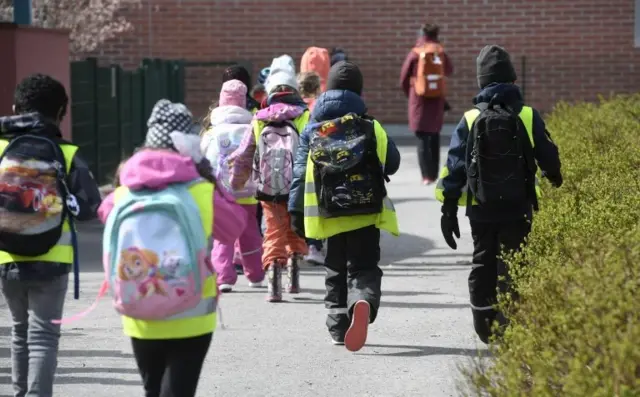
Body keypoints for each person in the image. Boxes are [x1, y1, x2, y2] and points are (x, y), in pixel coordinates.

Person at [98, 99, 245, 397]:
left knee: (152, 388)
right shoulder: (201, 191)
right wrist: (209, 178)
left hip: (140, 307)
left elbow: (103, 214)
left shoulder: (123, 193)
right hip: (193, 311)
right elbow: (234, 229)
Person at [435, 45, 563, 344]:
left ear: (481, 82)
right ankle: (510, 320)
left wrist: (448, 208)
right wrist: (554, 176)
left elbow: (454, 167)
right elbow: (548, 154)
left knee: (483, 260)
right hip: (518, 207)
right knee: (514, 260)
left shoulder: (469, 118)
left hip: (481, 207)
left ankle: (484, 322)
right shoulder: (528, 114)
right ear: (513, 80)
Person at [0, 74, 101, 397]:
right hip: (53, 258)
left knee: (19, 333)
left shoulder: (2, 149)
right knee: (43, 335)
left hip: (7, 256)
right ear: (61, 113)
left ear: (16, 108)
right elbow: (89, 208)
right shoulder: (66, 153)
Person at [288, 61, 401, 351]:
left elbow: (299, 173)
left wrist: (295, 211)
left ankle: (338, 326)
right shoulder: (370, 125)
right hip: (365, 212)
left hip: (327, 215)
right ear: (359, 91)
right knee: (364, 266)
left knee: (335, 269)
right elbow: (393, 162)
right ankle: (361, 299)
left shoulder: (312, 129)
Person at [228, 54, 310, 302]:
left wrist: (236, 182)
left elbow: (244, 154)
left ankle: (274, 281)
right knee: (296, 228)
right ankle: (294, 277)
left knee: (273, 229)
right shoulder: (305, 116)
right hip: (299, 185)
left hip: (268, 187)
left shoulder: (260, 118)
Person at [201, 80, 265, 292]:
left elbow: (204, 160)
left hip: (222, 192)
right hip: (248, 190)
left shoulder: (213, 132)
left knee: (223, 234)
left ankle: (224, 276)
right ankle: (256, 274)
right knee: (250, 233)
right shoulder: (250, 128)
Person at [400, 23, 454, 185]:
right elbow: (449, 70)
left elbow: (403, 77)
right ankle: (435, 173)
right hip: (436, 99)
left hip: (419, 99)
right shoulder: (440, 51)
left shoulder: (416, 53)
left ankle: (426, 176)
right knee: (435, 135)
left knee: (422, 137)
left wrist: (410, 93)